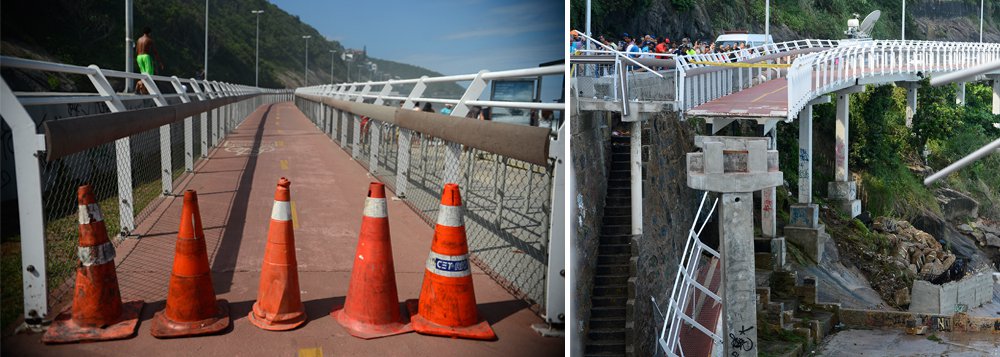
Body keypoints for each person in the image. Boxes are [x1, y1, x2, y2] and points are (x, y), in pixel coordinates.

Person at [135, 26, 164, 94]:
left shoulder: (139, 39)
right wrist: (160, 62)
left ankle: (143, 89)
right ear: (149, 33)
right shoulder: (149, 40)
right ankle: (139, 84)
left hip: (139, 57)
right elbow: (155, 52)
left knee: (143, 74)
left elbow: (136, 50)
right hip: (146, 57)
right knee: (149, 75)